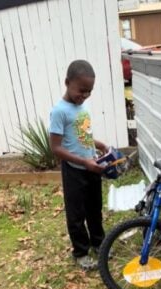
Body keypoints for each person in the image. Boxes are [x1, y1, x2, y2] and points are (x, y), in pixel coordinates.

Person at [49, 59, 110, 271]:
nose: (84, 95)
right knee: (76, 215)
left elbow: (83, 135)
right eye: (81, 90)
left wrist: (99, 145)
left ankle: (99, 243)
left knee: (95, 209)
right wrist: (83, 161)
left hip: (91, 166)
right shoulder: (60, 111)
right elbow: (55, 148)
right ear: (67, 82)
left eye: (89, 91)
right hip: (74, 171)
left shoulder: (83, 106)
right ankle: (81, 252)